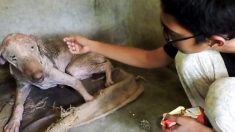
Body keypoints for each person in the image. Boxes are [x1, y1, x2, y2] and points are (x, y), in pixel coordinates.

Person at [63, 0, 235, 131]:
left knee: (222, 92)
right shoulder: (211, 34)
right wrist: (91, 45)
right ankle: (211, 119)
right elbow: (149, 58)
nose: (167, 37)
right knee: (187, 58)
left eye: (173, 35)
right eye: (164, 28)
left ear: (214, 41)